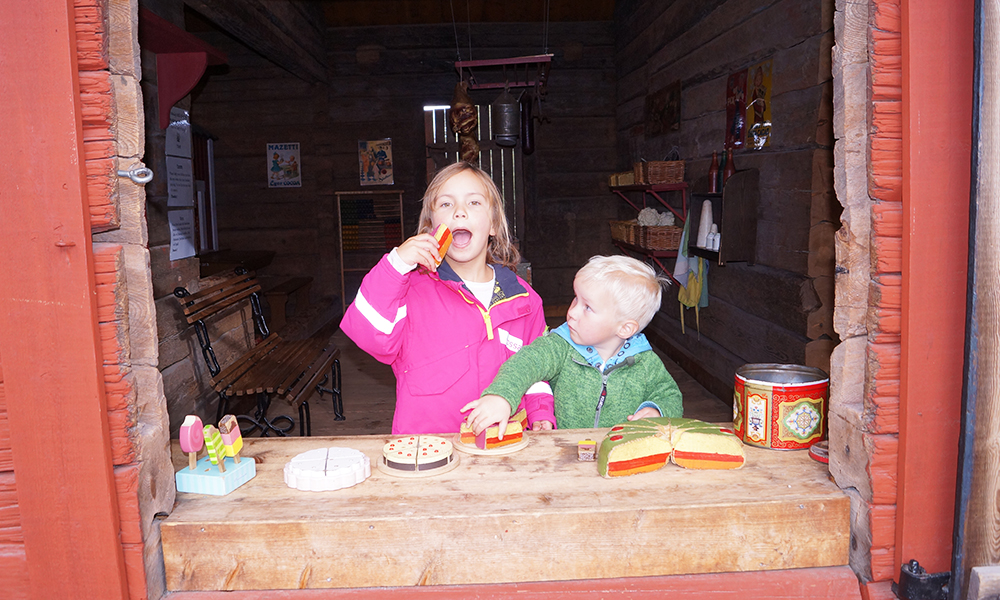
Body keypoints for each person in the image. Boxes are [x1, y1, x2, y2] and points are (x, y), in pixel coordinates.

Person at [340, 162, 552, 434]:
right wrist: (395, 265)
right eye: (446, 205)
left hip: (503, 445)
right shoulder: (408, 290)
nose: (460, 212)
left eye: (474, 203)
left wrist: (541, 414)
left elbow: (537, 368)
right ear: (432, 228)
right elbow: (369, 334)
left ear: (494, 226)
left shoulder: (524, 300)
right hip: (427, 451)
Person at [463, 255, 683, 435]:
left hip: (618, 458)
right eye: (576, 298)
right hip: (565, 457)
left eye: (587, 307)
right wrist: (501, 396)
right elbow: (525, 362)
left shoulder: (645, 363)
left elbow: (670, 396)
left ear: (625, 328)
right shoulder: (560, 346)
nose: (572, 312)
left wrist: (656, 410)